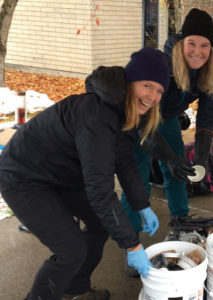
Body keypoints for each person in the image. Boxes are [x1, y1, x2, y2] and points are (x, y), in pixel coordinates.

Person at [0, 47, 171, 300]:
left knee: (100, 223)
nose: (152, 96)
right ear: (130, 82)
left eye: (159, 91)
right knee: (71, 250)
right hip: (24, 177)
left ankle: (74, 288)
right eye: (147, 85)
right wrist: (132, 245)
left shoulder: (125, 111)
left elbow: (124, 161)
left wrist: (141, 205)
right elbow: (100, 190)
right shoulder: (97, 114)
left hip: (60, 174)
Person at [120, 8, 213, 229]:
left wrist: (202, 159)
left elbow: (205, 121)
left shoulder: (212, 73)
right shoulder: (163, 65)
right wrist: (168, 158)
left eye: (204, 45)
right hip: (137, 118)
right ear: (182, 42)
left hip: (168, 118)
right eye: (192, 43)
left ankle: (181, 221)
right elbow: (143, 124)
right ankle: (130, 237)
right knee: (138, 179)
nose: (198, 51)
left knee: (179, 171)